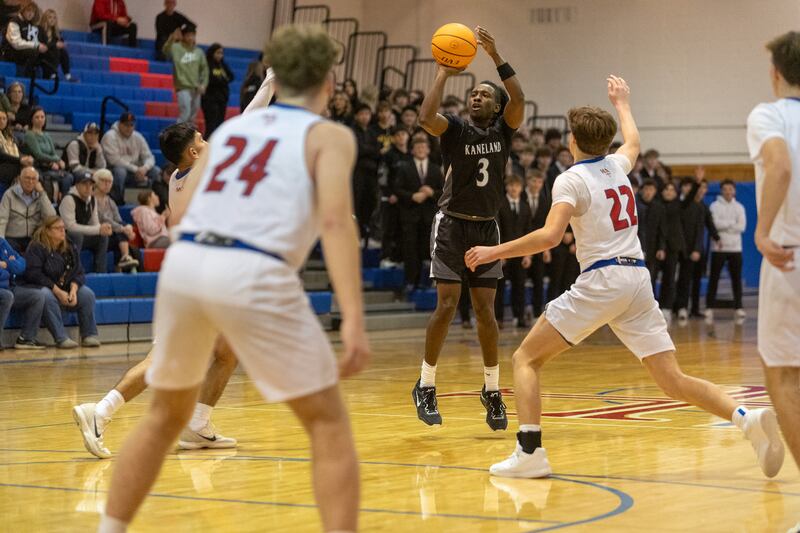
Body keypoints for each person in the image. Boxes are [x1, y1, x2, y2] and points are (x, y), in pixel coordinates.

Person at [98, 26, 369, 533]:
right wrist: (352, 319)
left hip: (186, 267)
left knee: (163, 419)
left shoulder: (229, 134)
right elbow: (335, 225)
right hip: (249, 268)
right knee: (329, 425)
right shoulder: (328, 136)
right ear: (328, 81)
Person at [465, 75, 784, 480]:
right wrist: (623, 103)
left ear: (572, 142)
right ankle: (747, 419)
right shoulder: (619, 165)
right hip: (637, 281)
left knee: (526, 359)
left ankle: (530, 453)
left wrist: (495, 251)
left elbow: (549, 236)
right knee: (672, 379)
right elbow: (632, 140)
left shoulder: (570, 179)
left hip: (603, 279)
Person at [73, 122, 237, 460]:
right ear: (193, 152)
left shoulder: (177, 180)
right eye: (201, 140)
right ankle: (100, 412)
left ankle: (198, 423)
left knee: (227, 350)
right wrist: (270, 82)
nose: (208, 143)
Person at [412, 26, 524, 430]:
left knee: (485, 312)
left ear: (496, 107)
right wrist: (444, 71)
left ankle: (492, 390)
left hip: (486, 229)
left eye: (484, 94)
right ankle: (425, 385)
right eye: (473, 92)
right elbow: (425, 117)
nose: (476, 96)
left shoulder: (503, 130)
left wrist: (496, 55)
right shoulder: (456, 129)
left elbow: (520, 100)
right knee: (446, 303)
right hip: (451, 226)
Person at [747, 30, 800, 475]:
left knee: (782, 373)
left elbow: (780, 165)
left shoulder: (769, 114)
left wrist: (762, 233)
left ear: (776, 73)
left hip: (790, 257)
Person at [22, 215, 100, 348]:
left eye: (64, 228)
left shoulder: (69, 246)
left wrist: (74, 290)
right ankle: (61, 337)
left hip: (65, 287)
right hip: (40, 287)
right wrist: (57, 291)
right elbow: (34, 274)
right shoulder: (36, 247)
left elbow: (79, 271)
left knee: (87, 294)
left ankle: (89, 335)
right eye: (58, 228)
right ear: (47, 230)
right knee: (46, 295)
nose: (62, 231)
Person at [394, 137, 443, 290]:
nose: (421, 149)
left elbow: (444, 192)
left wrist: (431, 193)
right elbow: (397, 189)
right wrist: (412, 196)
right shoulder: (404, 167)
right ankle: (411, 282)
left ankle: (429, 280)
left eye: (424, 146)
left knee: (429, 249)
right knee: (410, 249)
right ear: (412, 150)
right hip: (410, 215)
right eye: (418, 147)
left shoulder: (436, 169)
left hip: (429, 216)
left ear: (428, 150)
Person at [703, 179, 747, 322]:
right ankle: (709, 307)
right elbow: (714, 224)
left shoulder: (739, 207)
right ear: (721, 190)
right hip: (719, 248)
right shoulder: (715, 206)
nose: (728, 192)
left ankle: (738, 307)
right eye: (725, 189)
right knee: (714, 278)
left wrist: (725, 226)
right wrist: (730, 224)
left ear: (734, 191)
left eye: (731, 189)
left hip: (736, 248)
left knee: (736, 279)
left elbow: (741, 226)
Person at [495, 174, 533, 328]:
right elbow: (496, 230)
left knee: (520, 286)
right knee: (500, 287)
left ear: (521, 188)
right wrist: (499, 253)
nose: (513, 188)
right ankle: (498, 318)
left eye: (516, 186)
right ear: (506, 187)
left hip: (520, 252)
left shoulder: (525, 206)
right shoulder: (499, 204)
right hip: (503, 253)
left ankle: (520, 316)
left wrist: (528, 254)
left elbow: (529, 231)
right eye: (511, 185)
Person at [101, 112, 160, 205]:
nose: (128, 128)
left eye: (131, 125)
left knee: (156, 171)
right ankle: (117, 201)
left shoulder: (138, 136)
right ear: (120, 124)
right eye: (126, 125)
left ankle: (153, 201)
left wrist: (144, 168)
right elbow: (114, 160)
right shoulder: (110, 136)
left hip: (137, 172)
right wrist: (136, 169)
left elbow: (149, 157)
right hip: (115, 170)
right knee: (120, 172)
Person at [59, 173, 111, 273]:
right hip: (63, 237)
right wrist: (98, 229)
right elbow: (70, 226)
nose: (88, 188)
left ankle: (100, 272)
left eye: (90, 185)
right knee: (76, 235)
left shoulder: (92, 199)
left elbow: (95, 223)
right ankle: (73, 271)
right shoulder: (68, 199)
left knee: (103, 237)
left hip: (81, 236)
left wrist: (102, 229)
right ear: (77, 185)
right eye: (84, 184)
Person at [0, 166, 55, 252]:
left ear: (37, 181)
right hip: (12, 237)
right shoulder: (9, 194)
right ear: (20, 179)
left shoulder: (40, 196)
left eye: (33, 179)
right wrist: (1, 242)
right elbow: (2, 219)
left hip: (33, 238)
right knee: (12, 259)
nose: (30, 181)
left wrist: (42, 194)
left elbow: (51, 217)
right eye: (27, 178)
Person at [93, 169, 138, 271]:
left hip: (112, 233)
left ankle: (123, 263)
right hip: (97, 233)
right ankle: (125, 258)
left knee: (121, 233)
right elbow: (103, 218)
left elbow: (118, 219)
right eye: (104, 181)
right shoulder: (92, 199)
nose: (107, 184)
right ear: (96, 181)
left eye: (110, 182)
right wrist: (123, 229)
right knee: (120, 233)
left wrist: (128, 227)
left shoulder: (110, 201)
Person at [163, 23, 208, 125]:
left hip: (196, 88)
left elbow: (204, 70)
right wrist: (171, 39)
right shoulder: (176, 47)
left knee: (193, 116)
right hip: (182, 87)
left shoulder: (199, 51)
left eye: (192, 35)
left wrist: (203, 84)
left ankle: (188, 139)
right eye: (187, 35)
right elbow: (165, 51)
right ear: (183, 36)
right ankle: (177, 137)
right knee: (185, 114)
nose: (190, 37)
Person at [24, 106, 72, 201]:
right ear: (31, 120)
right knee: (45, 178)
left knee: (68, 177)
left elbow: (53, 153)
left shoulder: (47, 135)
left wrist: (55, 162)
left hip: (49, 166)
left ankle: (63, 202)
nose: (40, 119)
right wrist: (57, 160)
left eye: (42, 117)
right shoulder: (29, 135)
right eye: (37, 117)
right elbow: (38, 154)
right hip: (37, 166)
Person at [351, 102, 380, 243]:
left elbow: (377, 151)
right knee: (356, 202)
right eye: (362, 113)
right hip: (357, 172)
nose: (365, 117)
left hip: (371, 173)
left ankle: (364, 234)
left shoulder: (372, 132)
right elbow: (358, 150)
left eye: (367, 113)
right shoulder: (352, 130)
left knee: (369, 203)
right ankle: (354, 233)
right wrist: (371, 150)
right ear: (356, 115)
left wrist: (369, 150)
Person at [523, 169, 550, 317]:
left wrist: (547, 249)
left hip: (539, 245)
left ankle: (538, 313)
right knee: (519, 281)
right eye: (534, 181)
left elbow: (547, 224)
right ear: (528, 181)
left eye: (540, 182)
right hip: (521, 243)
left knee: (539, 280)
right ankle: (519, 313)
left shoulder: (545, 200)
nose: (537, 184)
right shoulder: (519, 197)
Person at [2, 1, 45, 77]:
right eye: (28, 10)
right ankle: (24, 76)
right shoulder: (14, 22)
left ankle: (50, 76)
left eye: (33, 12)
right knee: (33, 52)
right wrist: (36, 45)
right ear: (23, 10)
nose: (31, 14)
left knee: (47, 52)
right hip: (10, 52)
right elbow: (16, 43)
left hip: (23, 51)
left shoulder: (30, 23)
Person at [201, 43, 234, 138]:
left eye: (221, 53)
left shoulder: (223, 65)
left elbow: (231, 76)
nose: (220, 55)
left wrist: (222, 80)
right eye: (218, 53)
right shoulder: (207, 64)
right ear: (212, 53)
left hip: (222, 99)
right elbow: (209, 79)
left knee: (219, 125)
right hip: (209, 99)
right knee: (210, 125)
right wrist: (221, 80)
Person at [0, 109, 33, 187]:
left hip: (11, 164)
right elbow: (1, 155)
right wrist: (20, 160)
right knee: (22, 169)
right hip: (2, 164)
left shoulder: (10, 136)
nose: (1, 121)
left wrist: (26, 158)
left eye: (4, 119)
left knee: (31, 167)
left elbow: (18, 152)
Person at [39, 9, 74, 81]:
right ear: (45, 18)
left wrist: (62, 44)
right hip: (42, 56)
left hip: (53, 57)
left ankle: (68, 76)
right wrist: (55, 45)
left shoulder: (56, 32)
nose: (52, 20)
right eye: (50, 17)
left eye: (54, 18)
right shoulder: (40, 30)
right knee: (55, 49)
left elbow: (59, 42)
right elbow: (42, 45)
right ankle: (52, 74)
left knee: (63, 51)